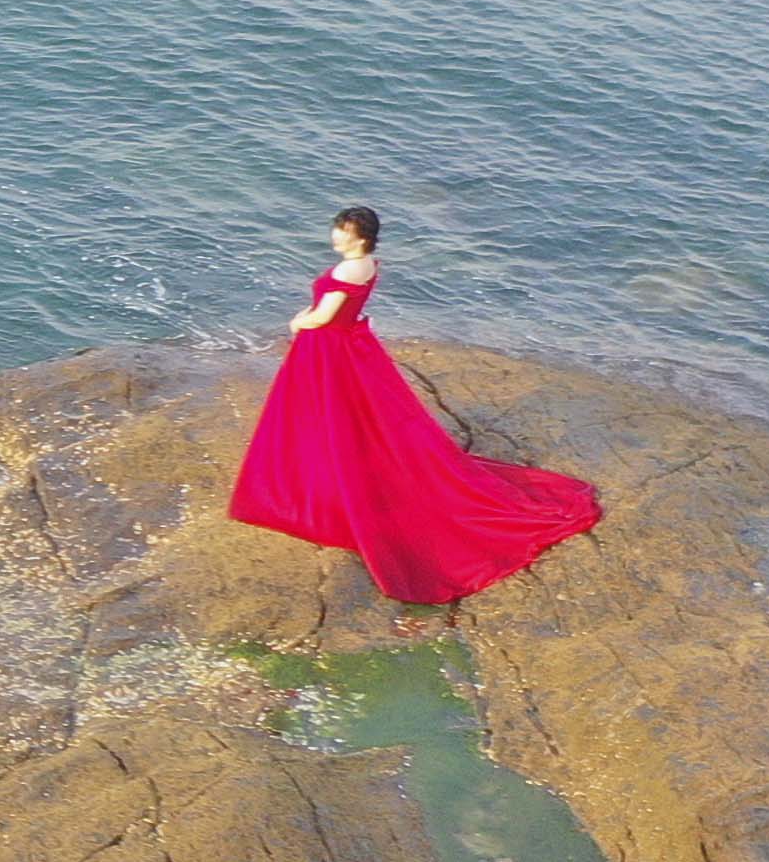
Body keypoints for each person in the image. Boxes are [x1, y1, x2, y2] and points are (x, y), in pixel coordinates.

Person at [226, 205, 603, 604]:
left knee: (326, 415)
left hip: (327, 350)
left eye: (343, 230)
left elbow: (322, 319)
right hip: (348, 346)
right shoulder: (369, 264)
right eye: (337, 228)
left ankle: (321, 482)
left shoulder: (345, 272)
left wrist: (298, 321)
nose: (336, 235)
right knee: (351, 417)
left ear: (361, 236)